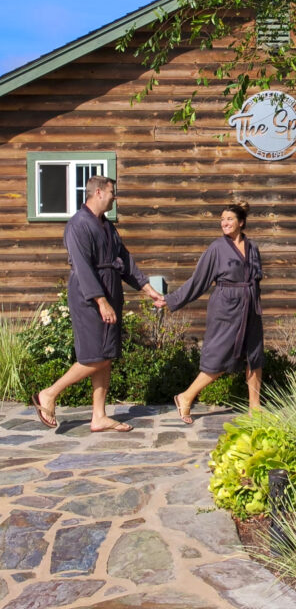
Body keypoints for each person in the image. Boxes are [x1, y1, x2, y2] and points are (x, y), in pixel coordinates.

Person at [32, 175, 164, 432]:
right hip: (89, 296)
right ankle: (49, 393)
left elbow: (125, 260)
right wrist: (101, 301)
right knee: (95, 355)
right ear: (99, 193)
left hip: (110, 291)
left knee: (107, 354)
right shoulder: (78, 225)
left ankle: (99, 416)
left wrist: (147, 288)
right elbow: (82, 268)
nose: (115, 197)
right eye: (113, 192)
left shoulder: (108, 227)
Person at [159, 201, 264, 422]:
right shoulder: (217, 248)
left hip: (250, 307)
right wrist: (171, 300)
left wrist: (254, 304)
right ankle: (186, 396)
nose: (224, 223)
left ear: (241, 222)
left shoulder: (252, 247)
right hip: (226, 308)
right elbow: (198, 280)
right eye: (222, 219)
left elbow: (256, 278)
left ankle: (255, 407)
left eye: (229, 219)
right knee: (219, 355)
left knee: (254, 355)